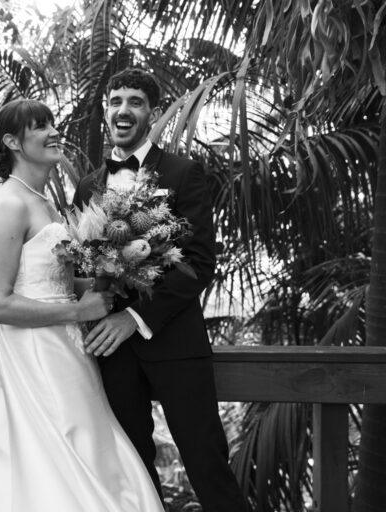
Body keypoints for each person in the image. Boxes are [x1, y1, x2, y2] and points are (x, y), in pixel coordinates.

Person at [0, 98, 164, 511]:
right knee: (60, 459)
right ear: (12, 142)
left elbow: (48, 279)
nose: (54, 132)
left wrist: (111, 272)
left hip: (69, 352)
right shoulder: (9, 205)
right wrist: (78, 311)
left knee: (91, 450)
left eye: (52, 123)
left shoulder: (44, 201)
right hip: (36, 355)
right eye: (40, 126)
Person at [72, 68, 248, 511]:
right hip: (109, 353)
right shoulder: (88, 186)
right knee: (131, 471)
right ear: (105, 111)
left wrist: (134, 318)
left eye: (134, 102)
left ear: (152, 113)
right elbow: (78, 265)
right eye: (115, 101)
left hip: (175, 344)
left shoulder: (183, 173)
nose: (123, 110)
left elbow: (198, 262)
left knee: (207, 464)